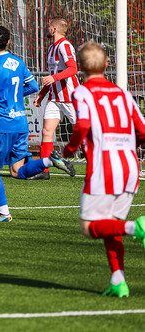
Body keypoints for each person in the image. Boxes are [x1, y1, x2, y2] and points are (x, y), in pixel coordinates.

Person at [0, 25, 74, 222]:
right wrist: (14, 96)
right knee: (17, 171)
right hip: (21, 123)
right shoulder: (18, 61)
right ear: (8, 42)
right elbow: (32, 86)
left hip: (3, 124)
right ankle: (50, 161)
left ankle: (3, 212)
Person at [62, 41, 145, 298]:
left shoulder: (82, 92)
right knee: (112, 226)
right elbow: (142, 131)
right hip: (130, 168)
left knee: (89, 227)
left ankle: (138, 228)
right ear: (107, 64)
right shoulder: (123, 94)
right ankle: (118, 281)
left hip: (103, 169)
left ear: (81, 68)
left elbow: (83, 125)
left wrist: (70, 148)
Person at [32, 18, 79, 180]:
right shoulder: (52, 48)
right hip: (54, 97)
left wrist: (54, 78)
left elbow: (73, 69)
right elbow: (52, 76)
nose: (47, 29)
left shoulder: (65, 45)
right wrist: (42, 94)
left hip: (69, 96)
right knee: (46, 131)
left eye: (49, 27)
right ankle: (44, 170)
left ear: (54, 29)